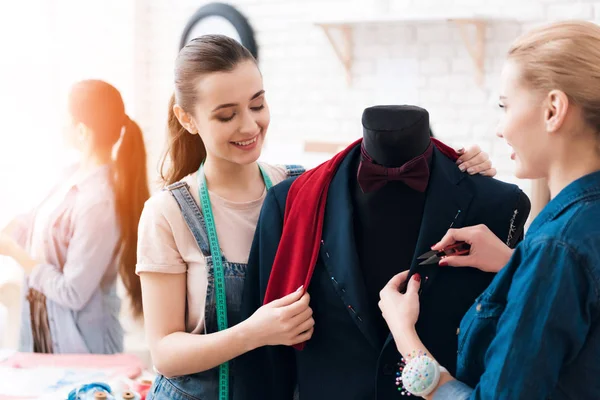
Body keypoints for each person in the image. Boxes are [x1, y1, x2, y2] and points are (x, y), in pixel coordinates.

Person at [135, 34, 498, 400]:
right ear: (188, 119)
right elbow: (164, 353)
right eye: (226, 115)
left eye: (257, 105)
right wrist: (254, 332)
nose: (249, 126)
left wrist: (459, 164)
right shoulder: (168, 213)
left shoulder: (300, 189)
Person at [378, 20, 600, 399]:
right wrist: (514, 263)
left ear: (553, 110)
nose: (499, 129)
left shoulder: (557, 248)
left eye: (505, 105)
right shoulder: (569, 237)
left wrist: (404, 336)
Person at [0, 80, 148, 354]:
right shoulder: (69, 175)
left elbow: (73, 292)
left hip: (84, 350)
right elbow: (36, 222)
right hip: (43, 340)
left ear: (82, 131)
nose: (61, 126)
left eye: (66, 119)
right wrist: (11, 231)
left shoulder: (100, 203)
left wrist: (14, 252)